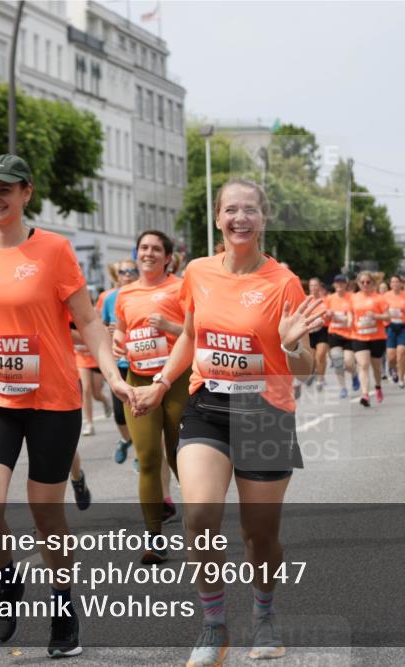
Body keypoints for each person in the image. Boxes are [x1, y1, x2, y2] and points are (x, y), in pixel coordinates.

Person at [0, 154, 134, 658]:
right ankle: (7, 585)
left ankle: (64, 604)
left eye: (4, 189)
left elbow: (87, 321)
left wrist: (111, 372)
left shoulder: (54, 250)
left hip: (51, 399)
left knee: (45, 513)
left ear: (27, 192)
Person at [130, 178, 322, 666]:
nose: (240, 218)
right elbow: (191, 335)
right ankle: (214, 625)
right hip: (207, 405)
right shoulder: (197, 272)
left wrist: (286, 345)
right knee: (200, 516)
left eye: (250, 210)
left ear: (263, 219)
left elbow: (305, 365)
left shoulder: (283, 282)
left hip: (265, 414)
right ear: (218, 218)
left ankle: (264, 613)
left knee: (260, 537)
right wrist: (160, 381)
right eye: (231, 210)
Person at [112, 230, 187, 564]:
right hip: (137, 378)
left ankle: (204, 527)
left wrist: (169, 326)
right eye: (144, 248)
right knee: (147, 458)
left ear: (167, 257)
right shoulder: (124, 294)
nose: (149, 253)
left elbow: (197, 333)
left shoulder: (180, 287)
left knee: (178, 456)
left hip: (175, 380)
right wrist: (118, 341)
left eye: (156, 249)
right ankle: (155, 538)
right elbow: (122, 331)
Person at [96, 261, 136, 464]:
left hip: (141, 363)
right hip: (118, 362)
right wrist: (108, 331)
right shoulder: (109, 298)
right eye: (123, 271)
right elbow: (97, 326)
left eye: (132, 271)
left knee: (141, 412)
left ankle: (143, 452)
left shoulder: (142, 295)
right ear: (116, 275)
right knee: (120, 414)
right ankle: (126, 439)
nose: (128, 275)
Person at [350, 271, 390, 406]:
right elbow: (351, 314)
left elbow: (388, 317)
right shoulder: (354, 298)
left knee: (376, 368)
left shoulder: (379, 298)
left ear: (373, 283)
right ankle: (365, 394)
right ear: (358, 283)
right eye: (362, 282)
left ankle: (378, 386)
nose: (365, 284)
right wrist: (349, 322)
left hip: (377, 337)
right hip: (359, 336)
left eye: (368, 282)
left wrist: (375, 316)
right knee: (363, 365)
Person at [325, 274, 357, 399]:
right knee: (338, 361)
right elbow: (325, 316)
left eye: (342, 283)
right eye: (337, 283)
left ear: (346, 284)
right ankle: (343, 387)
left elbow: (356, 312)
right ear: (334, 285)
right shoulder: (330, 298)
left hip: (349, 334)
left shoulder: (352, 297)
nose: (339, 285)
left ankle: (354, 375)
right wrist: (328, 314)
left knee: (349, 362)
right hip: (334, 333)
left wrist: (350, 319)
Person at [383, 274, 405, 388]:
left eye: (397, 282)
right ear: (390, 284)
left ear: (401, 284)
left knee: (401, 354)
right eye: (393, 282)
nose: (395, 284)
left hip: (404, 327)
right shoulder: (385, 296)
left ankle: (401, 378)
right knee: (391, 356)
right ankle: (393, 370)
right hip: (390, 327)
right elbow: (381, 310)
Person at [305, 277, 330, 391]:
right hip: (310, 332)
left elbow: (331, 312)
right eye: (312, 285)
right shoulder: (305, 300)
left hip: (323, 331)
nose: (314, 288)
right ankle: (314, 372)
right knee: (312, 359)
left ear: (320, 287)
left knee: (320, 356)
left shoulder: (326, 300)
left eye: (316, 285)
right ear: (309, 287)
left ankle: (320, 379)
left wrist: (329, 314)